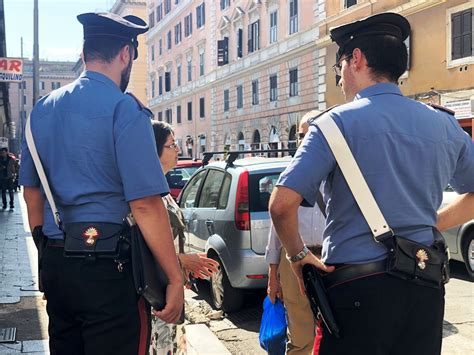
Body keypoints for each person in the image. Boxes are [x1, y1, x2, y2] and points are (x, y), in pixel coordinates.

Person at [269, 12, 474, 355]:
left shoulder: (333, 125)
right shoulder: (446, 125)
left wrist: (298, 256)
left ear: (356, 59)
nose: (341, 81)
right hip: (424, 285)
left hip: (356, 290)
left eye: (340, 71)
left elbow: (281, 204)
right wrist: (429, 223)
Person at [19, 12, 183, 355]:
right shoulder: (125, 110)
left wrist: (46, 254)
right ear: (126, 54)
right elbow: (145, 205)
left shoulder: (41, 111)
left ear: (84, 53)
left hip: (58, 265)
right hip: (110, 271)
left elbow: (31, 192)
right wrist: (175, 278)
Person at [150, 120, 219, 354]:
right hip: (156, 297)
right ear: (155, 149)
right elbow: (144, 249)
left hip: (170, 289)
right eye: (172, 145)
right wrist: (183, 260)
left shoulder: (160, 188)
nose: (178, 150)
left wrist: (186, 263)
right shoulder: (147, 193)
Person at [266, 112, 325, 355]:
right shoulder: (289, 174)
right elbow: (276, 226)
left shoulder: (342, 173)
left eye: (310, 134)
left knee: (334, 331)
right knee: (300, 335)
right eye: (301, 135)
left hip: (329, 256)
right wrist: (272, 274)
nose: (304, 140)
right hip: (293, 258)